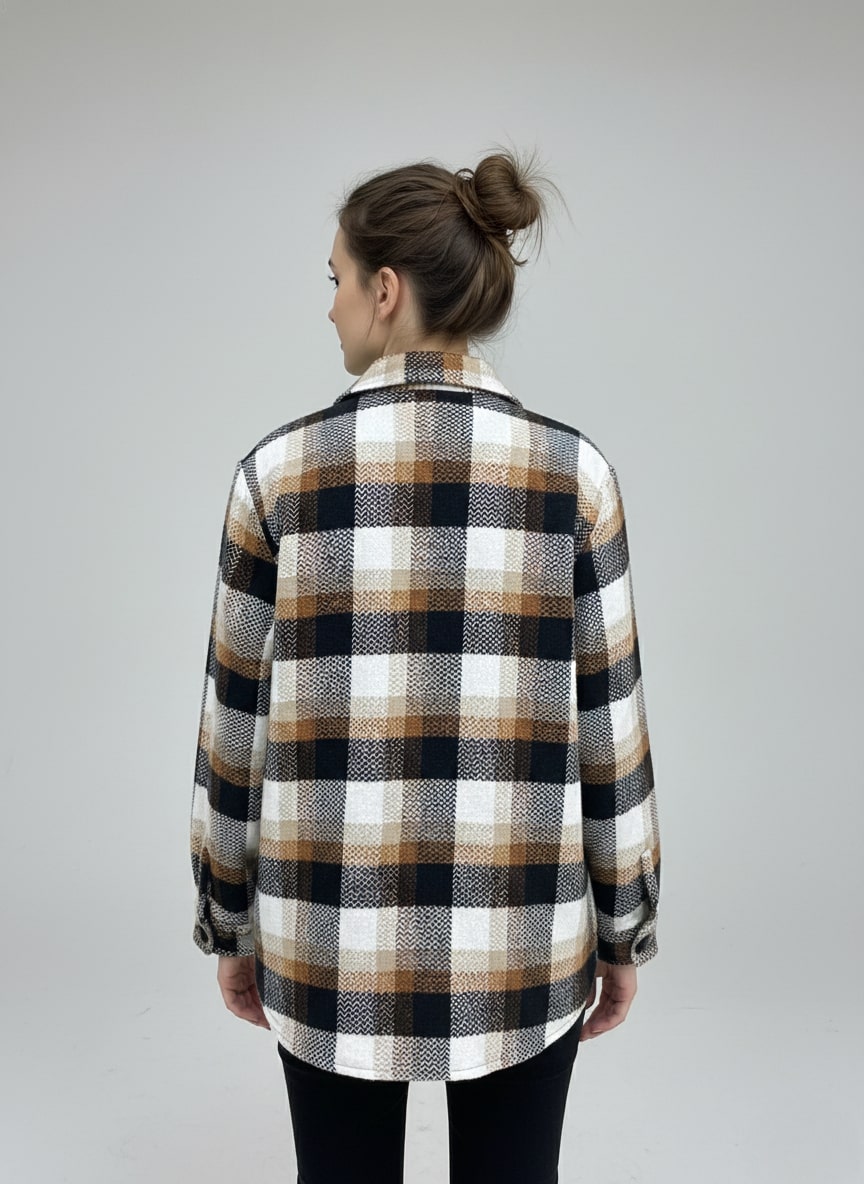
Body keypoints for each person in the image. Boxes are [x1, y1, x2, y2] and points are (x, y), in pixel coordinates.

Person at [189, 149, 662, 1184]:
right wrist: (623, 927)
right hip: (521, 945)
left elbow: (233, 729)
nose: (330, 306)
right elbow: (609, 727)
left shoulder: (275, 476)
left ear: (386, 290)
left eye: (336, 278)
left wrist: (228, 919)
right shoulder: (575, 476)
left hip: (327, 943)